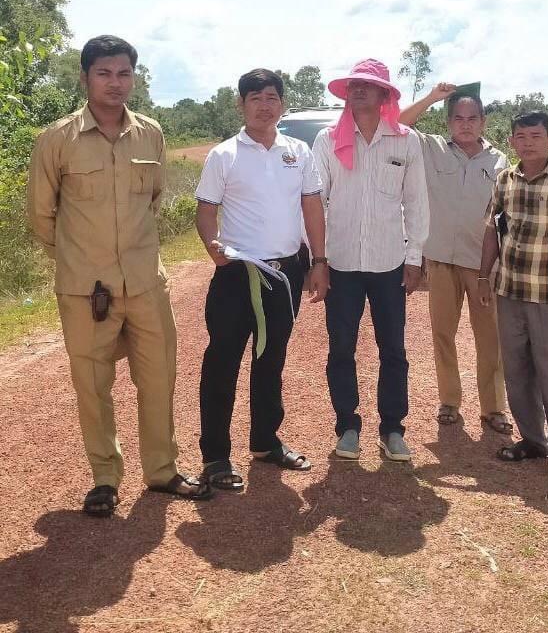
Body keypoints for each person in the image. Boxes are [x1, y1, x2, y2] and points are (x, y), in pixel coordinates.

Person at [26, 35, 210, 516]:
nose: (115, 82)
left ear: (134, 77)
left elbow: (153, 200)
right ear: (84, 78)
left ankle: (163, 470)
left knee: (159, 378)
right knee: (93, 385)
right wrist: (78, 261)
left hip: (147, 283)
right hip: (86, 290)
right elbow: (41, 216)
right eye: (104, 73)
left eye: (124, 73)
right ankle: (105, 478)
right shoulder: (56, 140)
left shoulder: (151, 134)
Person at [194, 68, 328, 490]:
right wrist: (213, 247)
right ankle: (216, 456)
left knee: (271, 359)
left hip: (284, 272)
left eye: (272, 97)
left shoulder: (298, 152)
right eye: (255, 98)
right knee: (223, 361)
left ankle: (266, 441)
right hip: (236, 273)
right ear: (241, 104)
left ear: (282, 104)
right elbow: (206, 211)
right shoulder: (224, 155)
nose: (264, 106)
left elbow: (311, 206)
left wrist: (319, 260)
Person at [312, 59, 429, 463]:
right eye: (354, 85)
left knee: (393, 349)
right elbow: (316, 200)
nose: (359, 90)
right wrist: (318, 259)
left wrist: (414, 257)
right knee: (341, 348)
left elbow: (416, 202)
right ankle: (347, 426)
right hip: (341, 262)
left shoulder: (405, 141)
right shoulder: (327, 140)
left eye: (368, 85)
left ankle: (392, 428)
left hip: (389, 263)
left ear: (385, 95)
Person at [478, 111, 548, 483]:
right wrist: (483, 276)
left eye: (536, 136)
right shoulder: (504, 180)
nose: (528, 143)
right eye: (521, 137)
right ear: (512, 141)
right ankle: (532, 439)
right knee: (517, 369)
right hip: (510, 290)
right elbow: (492, 229)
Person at [398, 82, 511, 434]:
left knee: (489, 338)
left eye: (472, 118)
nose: (465, 124)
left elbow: (503, 215)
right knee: (442, 334)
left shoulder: (499, 161)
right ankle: (449, 400)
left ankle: (494, 407)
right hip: (441, 260)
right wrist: (433, 97)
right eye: (458, 118)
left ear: (483, 121)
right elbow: (398, 124)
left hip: (482, 264)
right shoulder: (431, 148)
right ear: (448, 122)